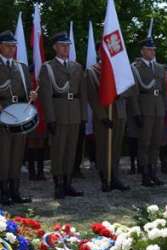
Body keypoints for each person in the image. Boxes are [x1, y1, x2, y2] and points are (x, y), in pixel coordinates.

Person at [38, 32, 87, 199]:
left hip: (74, 112)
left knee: (71, 150)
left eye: (67, 45)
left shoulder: (77, 67)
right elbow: (45, 95)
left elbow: (83, 93)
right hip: (58, 113)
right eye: (62, 45)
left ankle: (68, 183)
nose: (66, 48)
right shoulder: (48, 67)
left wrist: (83, 116)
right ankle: (58, 184)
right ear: (55, 47)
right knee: (58, 150)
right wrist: (50, 118)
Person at [86, 51, 133, 192]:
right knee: (103, 147)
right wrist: (102, 116)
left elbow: (130, 89)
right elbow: (92, 96)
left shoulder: (120, 69)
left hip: (119, 113)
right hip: (104, 115)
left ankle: (115, 177)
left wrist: (118, 93)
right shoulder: (92, 71)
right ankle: (104, 178)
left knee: (116, 147)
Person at [0, 31, 37, 204]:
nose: (12, 49)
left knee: (16, 154)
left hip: (18, 114)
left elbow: (27, 89)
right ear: (0, 46)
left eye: (14, 46)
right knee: (3, 154)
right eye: (8, 45)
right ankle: (3, 192)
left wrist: (32, 95)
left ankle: (15, 190)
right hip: (2, 113)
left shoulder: (21, 67)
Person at [130, 37, 166, 187]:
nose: (152, 52)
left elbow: (162, 89)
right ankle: (144, 173)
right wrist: (137, 112)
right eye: (149, 49)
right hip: (145, 107)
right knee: (144, 143)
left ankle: (153, 172)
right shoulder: (135, 68)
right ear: (142, 51)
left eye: (153, 50)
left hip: (158, 107)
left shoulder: (158, 67)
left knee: (156, 142)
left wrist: (163, 108)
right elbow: (134, 92)